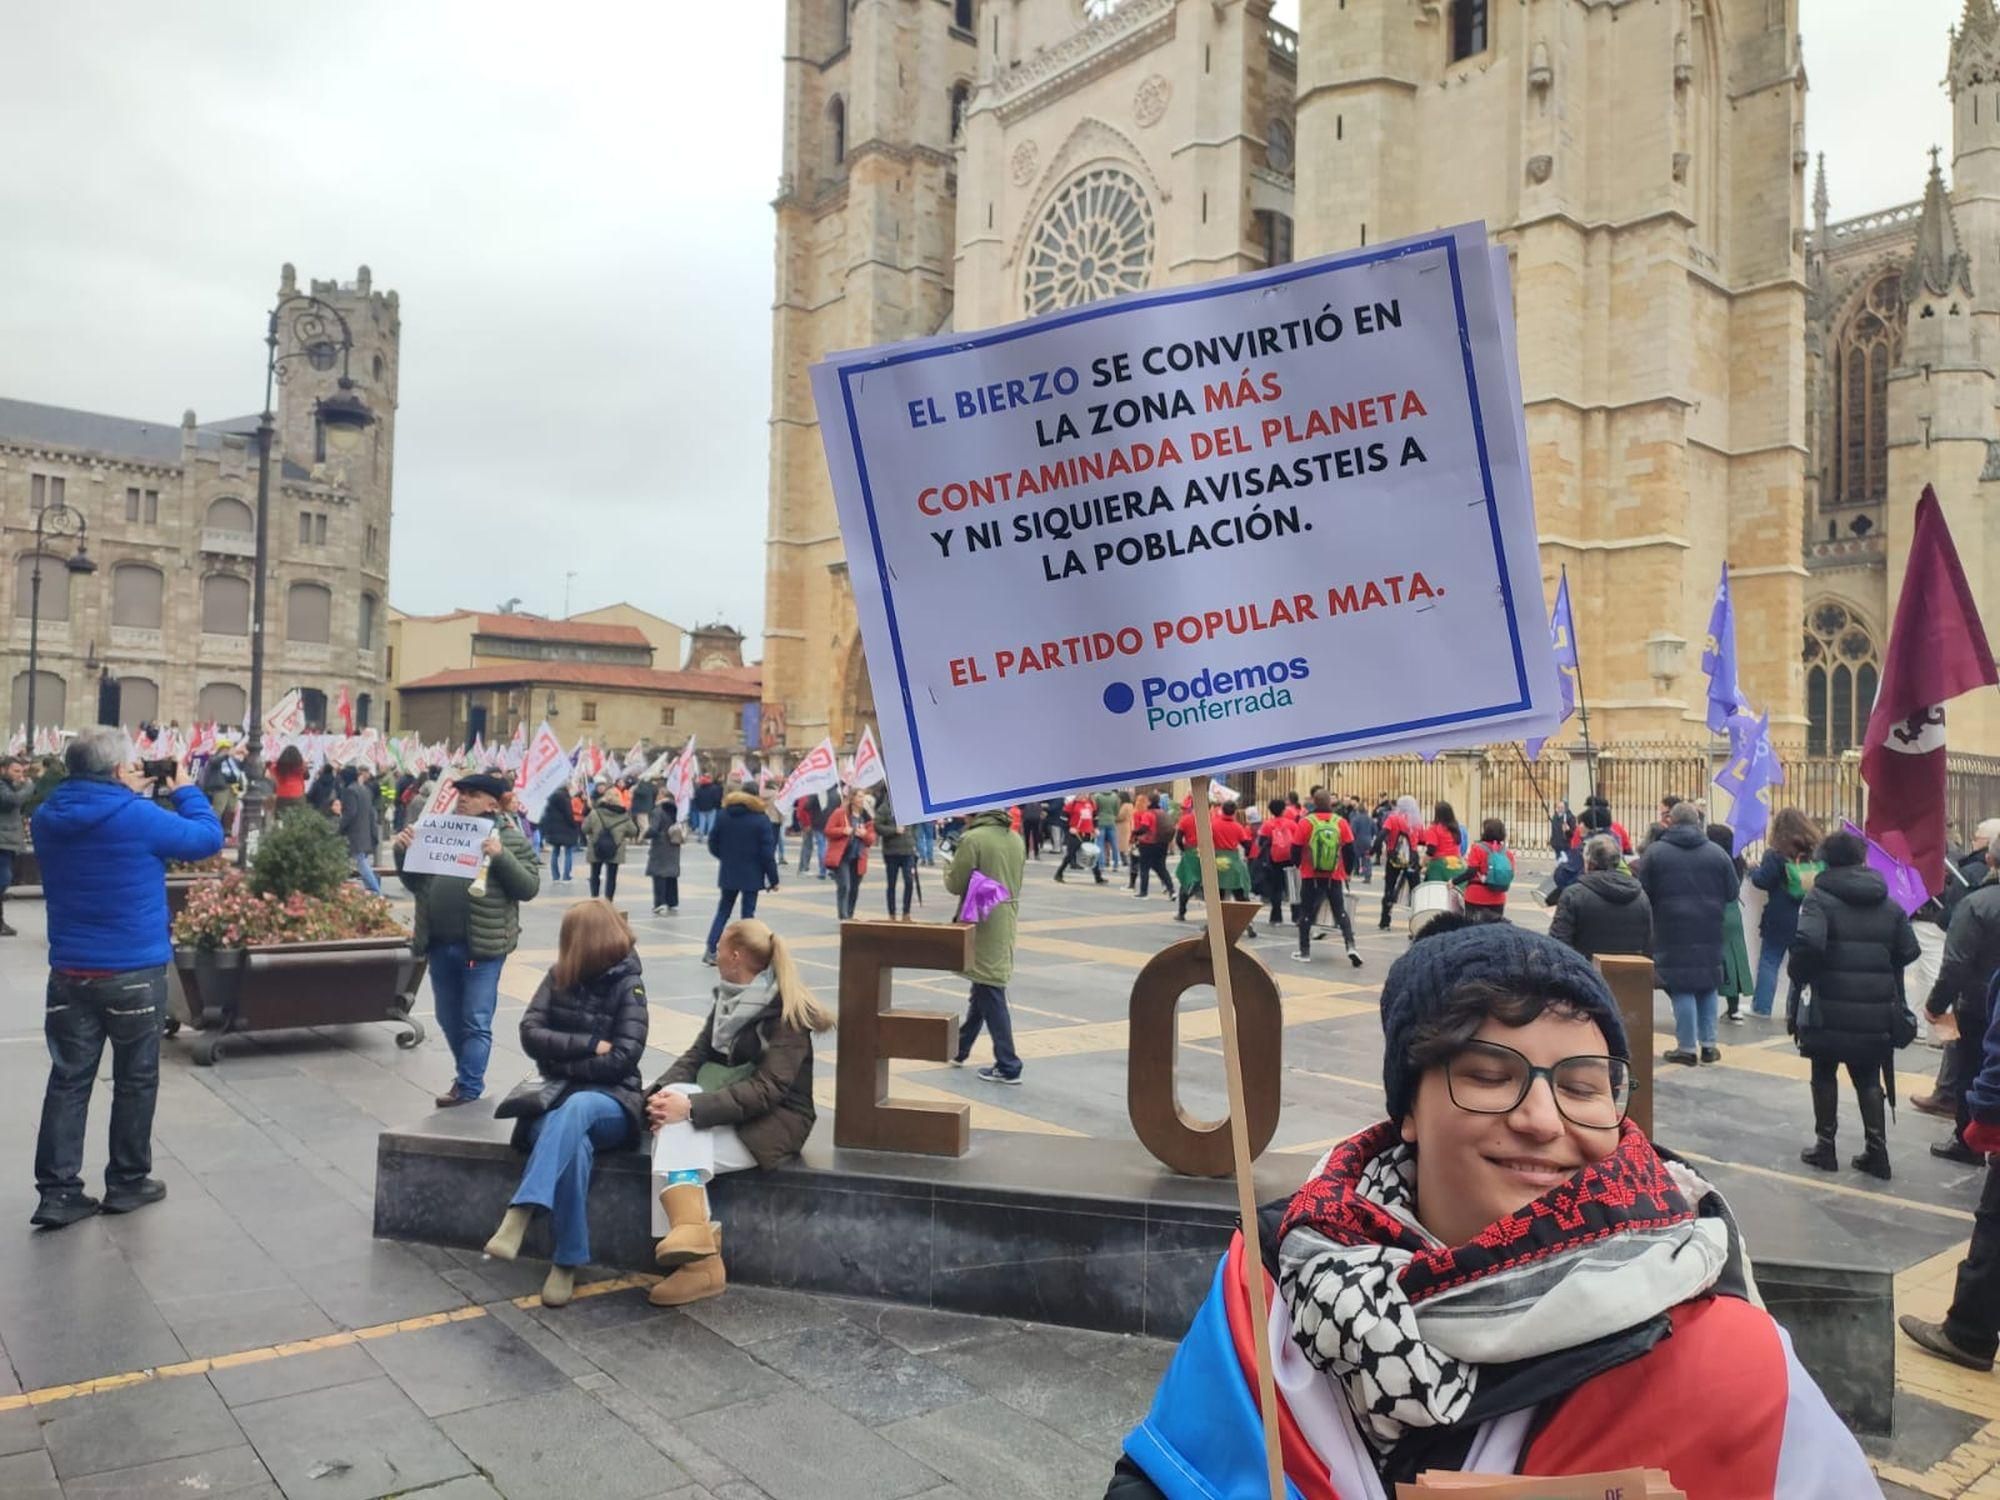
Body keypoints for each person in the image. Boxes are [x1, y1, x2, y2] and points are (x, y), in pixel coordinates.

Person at [1108, 922, 1871, 1496]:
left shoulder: (1727, 1355)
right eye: (1487, 1073)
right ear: (1408, 1107)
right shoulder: (1268, 1289)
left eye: (1581, 1086)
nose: (1542, 1119)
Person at [28, 728, 224, 1227]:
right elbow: (207, 837)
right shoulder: (137, 816)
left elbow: (96, 813)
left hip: (70, 970)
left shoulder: (49, 817)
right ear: (118, 770)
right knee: (136, 1079)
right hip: (133, 970)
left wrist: (124, 792)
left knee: (68, 1078)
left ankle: (57, 1192)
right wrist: (182, 788)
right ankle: (127, 1182)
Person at [645, 918, 835, 1305]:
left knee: (674, 1137)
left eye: (718, 949)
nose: (714, 954)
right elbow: (697, 1055)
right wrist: (659, 1095)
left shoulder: (787, 1013)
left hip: (776, 1122)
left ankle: (699, 1261)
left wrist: (692, 1107)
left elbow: (769, 1090)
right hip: (732, 1106)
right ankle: (698, 1249)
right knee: (673, 1118)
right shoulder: (728, 1000)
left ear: (734, 955)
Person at [481, 900, 648, 1308]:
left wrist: (562, 1062)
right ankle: (567, 1261)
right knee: (573, 1144)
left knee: (578, 1111)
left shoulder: (630, 984)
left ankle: (521, 1211)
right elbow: (529, 1032)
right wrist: (589, 1045)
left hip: (614, 1103)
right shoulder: (559, 975)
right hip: (552, 1102)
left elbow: (623, 1060)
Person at [393, 771, 541, 1107]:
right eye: (461, 793)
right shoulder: (440, 831)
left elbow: (529, 887)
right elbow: (417, 884)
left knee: (475, 1018)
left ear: (491, 802)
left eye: (473, 794)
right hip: (440, 943)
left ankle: (469, 1088)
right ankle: (466, 1078)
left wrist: (501, 856)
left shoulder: (509, 836)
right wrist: (404, 853)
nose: (463, 798)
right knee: (447, 1017)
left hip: (481, 947)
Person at [1790, 829, 1921, 1180]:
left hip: (1827, 1005)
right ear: (1861, 860)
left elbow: (1808, 945)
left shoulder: (1818, 897)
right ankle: (1877, 1153)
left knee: (1823, 1072)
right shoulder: (1887, 901)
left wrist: (1799, 974)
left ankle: (1825, 1147)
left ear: (1826, 860)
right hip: (1875, 1006)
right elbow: (1909, 950)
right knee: (1868, 1077)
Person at [1638, 801, 1739, 1067]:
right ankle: (1709, 1045)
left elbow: (1643, 891)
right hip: (1709, 925)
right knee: (1707, 983)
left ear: (1670, 821)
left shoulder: (1656, 852)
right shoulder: (1717, 853)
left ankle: (1686, 1047)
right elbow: (1732, 892)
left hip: (1670, 926)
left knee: (1680, 984)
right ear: (1697, 822)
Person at [1925, 840, 2000, 1161]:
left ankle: (1968, 1141)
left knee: (1969, 1069)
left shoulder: (1976, 904)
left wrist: (1935, 1004)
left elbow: (1955, 963)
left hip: (1977, 1003)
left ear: (1989, 859)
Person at [946, 803, 1026, 1084]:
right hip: (1006, 914)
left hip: (982, 916)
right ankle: (960, 1049)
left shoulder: (972, 839)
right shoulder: (1015, 837)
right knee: (983, 984)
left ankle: (1008, 1064)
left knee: (990, 988)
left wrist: (949, 862)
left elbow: (955, 884)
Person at [1748, 807, 1822, 1021]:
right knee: (1798, 964)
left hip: (1780, 914)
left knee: (1770, 960)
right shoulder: (1815, 852)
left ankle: (1762, 1008)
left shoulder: (1776, 853)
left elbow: (1763, 880)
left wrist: (1753, 869)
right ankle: (1794, 1011)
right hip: (1807, 913)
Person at [705, 785, 779, 965]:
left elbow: (712, 842)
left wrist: (725, 857)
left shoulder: (724, 815)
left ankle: (711, 949)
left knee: (723, 910)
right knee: (748, 915)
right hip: (752, 873)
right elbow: (767, 853)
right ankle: (746, 953)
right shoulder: (760, 819)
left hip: (729, 871)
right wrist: (773, 878)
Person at [1549, 834, 1652, 959]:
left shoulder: (1574, 895)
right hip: (1627, 975)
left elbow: (1558, 945)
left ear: (1590, 864)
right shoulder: (1641, 897)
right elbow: (1648, 946)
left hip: (1585, 973)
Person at [1292, 792, 1361, 966]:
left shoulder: (1306, 822)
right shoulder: (1340, 822)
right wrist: (1348, 870)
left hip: (1310, 875)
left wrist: (1299, 864)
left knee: (1306, 912)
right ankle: (1350, 945)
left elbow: (1295, 848)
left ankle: (1304, 951)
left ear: (1314, 802)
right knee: (1340, 912)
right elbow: (1350, 850)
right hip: (1334, 875)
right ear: (1330, 802)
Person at [1708, 822, 1755, 1023]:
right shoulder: (1737, 860)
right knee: (1733, 958)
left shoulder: (1712, 858)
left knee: (1710, 958)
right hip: (1733, 909)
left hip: (1714, 908)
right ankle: (1734, 1008)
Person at [581, 783, 639, 903]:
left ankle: (595, 898)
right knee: (612, 876)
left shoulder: (595, 813)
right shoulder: (623, 815)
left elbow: (584, 829)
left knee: (595, 874)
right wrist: (622, 834)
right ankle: (609, 900)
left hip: (596, 847)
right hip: (616, 848)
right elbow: (633, 831)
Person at [823, 788, 876, 921]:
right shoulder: (840, 813)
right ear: (852, 798)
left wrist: (864, 835)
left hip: (858, 857)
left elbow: (871, 839)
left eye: (863, 797)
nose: (861, 799)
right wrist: (842, 830)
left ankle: (850, 915)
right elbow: (828, 830)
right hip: (842, 856)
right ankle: (843, 916)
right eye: (859, 796)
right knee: (844, 886)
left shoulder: (866, 817)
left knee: (854, 889)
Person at [1452, 817, 1515, 924]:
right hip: (1497, 898)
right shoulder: (1507, 853)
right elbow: (1510, 874)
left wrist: (1454, 882)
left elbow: (1471, 872)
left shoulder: (1477, 849)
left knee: (1472, 931)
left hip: (1475, 897)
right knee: (1494, 932)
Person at [1377, 795, 1425, 929]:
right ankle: (1417, 922)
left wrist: (1374, 850)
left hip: (1394, 858)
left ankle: (1385, 921)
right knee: (1415, 891)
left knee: (1389, 888)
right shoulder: (1417, 821)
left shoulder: (1393, 818)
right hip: (1412, 860)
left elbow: (1382, 834)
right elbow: (1422, 840)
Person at [337, 766, 382, 894]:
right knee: (360, 861)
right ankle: (372, 889)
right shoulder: (365, 789)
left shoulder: (349, 791)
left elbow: (350, 813)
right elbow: (371, 812)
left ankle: (375, 890)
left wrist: (340, 827)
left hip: (354, 833)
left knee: (361, 863)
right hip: (365, 830)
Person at [1254, 798, 1297, 930]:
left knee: (1276, 889)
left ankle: (1276, 917)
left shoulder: (1268, 825)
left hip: (1274, 860)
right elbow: (1298, 842)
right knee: (1293, 887)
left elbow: (1260, 843)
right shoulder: (1291, 824)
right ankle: (1297, 916)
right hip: (1290, 860)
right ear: (1284, 810)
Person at [877, 795, 917, 920]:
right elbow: (877, 826)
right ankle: (892, 913)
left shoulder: (907, 807)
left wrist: (913, 843)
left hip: (908, 852)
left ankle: (906, 912)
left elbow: (913, 827)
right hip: (891, 852)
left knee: (909, 881)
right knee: (891, 884)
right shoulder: (884, 808)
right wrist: (894, 830)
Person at [0, 756, 27, 936]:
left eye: (22, 772)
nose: (20, 775)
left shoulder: (10, 786)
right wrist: (29, 786)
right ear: (3, 770)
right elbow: (12, 801)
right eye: (16, 771)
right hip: (2, 840)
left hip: (8, 841)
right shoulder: (3, 787)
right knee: (3, 879)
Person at [646, 794, 683, 916]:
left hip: (660, 846)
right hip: (673, 844)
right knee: (671, 874)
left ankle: (659, 903)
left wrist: (645, 835)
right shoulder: (675, 810)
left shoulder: (658, 811)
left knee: (659, 874)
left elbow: (654, 829)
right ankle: (672, 902)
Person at [1134, 794, 1175, 900]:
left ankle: (1143, 892)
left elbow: (1144, 828)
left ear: (1150, 802)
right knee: (1161, 867)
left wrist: (1134, 833)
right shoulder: (1163, 813)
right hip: (1162, 843)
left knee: (1144, 868)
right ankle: (1171, 890)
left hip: (1148, 843)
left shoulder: (1148, 814)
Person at [1056, 792, 1101, 884]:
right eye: (1081, 794)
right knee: (1070, 855)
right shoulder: (1071, 805)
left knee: (1092, 855)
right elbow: (1063, 819)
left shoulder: (1091, 804)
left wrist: (1096, 828)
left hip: (1088, 833)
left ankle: (1098, 877)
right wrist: (1069, 828)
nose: (1084, 795)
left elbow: (1095, 817)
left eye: (1085, 793)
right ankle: (1059, 874)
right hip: (1076, 834)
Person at [540, 785, 582, 884]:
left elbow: (547, 815)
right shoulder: (565, 799)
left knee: (555, 852)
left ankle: (555, 876)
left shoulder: (551, 800)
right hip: (566, 829)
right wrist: (574, 826)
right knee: (568, 853)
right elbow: (569, 815)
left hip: (554, 830)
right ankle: (566, 876)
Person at [200, 738, 246, 827]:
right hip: (221, 788)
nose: (228, 750)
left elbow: (241, 769)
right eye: (226, 749)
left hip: (233, 789)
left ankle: (227, 831)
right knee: (218, 810)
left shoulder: (234, 760)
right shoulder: (214, 758)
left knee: (231, 811)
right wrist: (226, 755)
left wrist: (246, 757)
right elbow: (215, 762)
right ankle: (212, 827)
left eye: (229, 748)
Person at [1346, 797, 1377, 885]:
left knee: (1354, 857)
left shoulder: (1355, 819)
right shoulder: (1370, 819)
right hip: (1368, 841)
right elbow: (1375, 830)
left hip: (1357, 841)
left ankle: (1352, 873)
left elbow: (1352, 831)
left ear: (1358, 811)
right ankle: (1368, 876)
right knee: (1366, 858)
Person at [271, 744, 309, 815]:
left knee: (280, 818)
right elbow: (307, 776)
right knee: (299, 819)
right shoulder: (300, 766)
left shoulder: (277, 767)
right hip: (298, 794)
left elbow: (272, 770)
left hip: (282, 794)